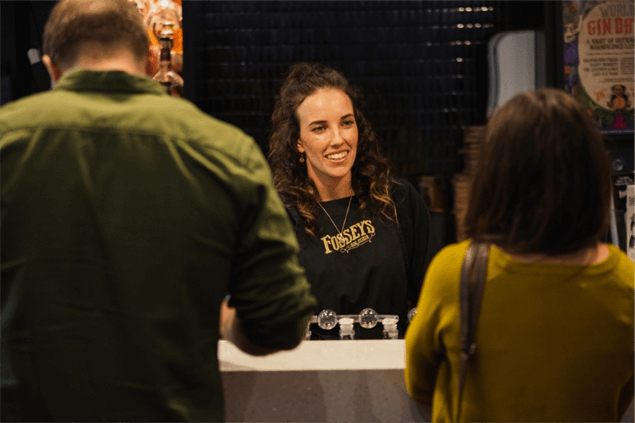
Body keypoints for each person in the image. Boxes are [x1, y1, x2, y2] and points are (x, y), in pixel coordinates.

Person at [0, 1, 317, 421]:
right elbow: (279, 323)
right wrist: (222, 321)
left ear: (52, 68)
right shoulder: (225, 151)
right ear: (151, 60)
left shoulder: (7, 140)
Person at [405, 88, 634, 422]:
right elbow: (620, 398)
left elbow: (419, 383)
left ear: (496, 178)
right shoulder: (626, 284)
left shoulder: (455, 272)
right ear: (591, 174)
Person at [268, 62, 440, 339]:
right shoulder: (278, 216)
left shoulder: (399, 199)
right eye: (319, 128)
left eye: (346, 123)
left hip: (391, 371)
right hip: (311, 376)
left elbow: (435, 301)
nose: (338, 139)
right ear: (298, 141)